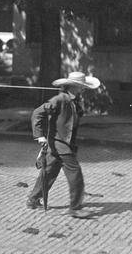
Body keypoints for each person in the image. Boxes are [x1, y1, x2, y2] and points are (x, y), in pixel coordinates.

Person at [26, 71, 101, 219]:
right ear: (73, 86)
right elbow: (37, 113)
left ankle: (33, 199)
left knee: (50, 171)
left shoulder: (73, 100)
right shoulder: (59, 99)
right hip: (60, 143)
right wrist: (39, 136)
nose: (83, 89)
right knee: (75, 174)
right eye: (81, 87)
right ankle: (75, 208)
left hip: (64, 143)